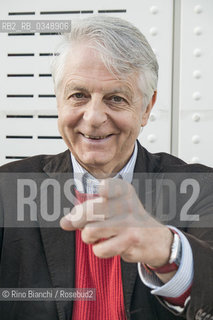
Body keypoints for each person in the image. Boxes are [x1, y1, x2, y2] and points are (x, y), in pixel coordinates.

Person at [0, 15, 212, 320]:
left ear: (146, 107)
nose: (94, 117)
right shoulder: (7, 189)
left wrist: (167, 250)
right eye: (79, 96)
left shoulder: (200, 186)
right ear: (59, 101)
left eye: (116, 98)